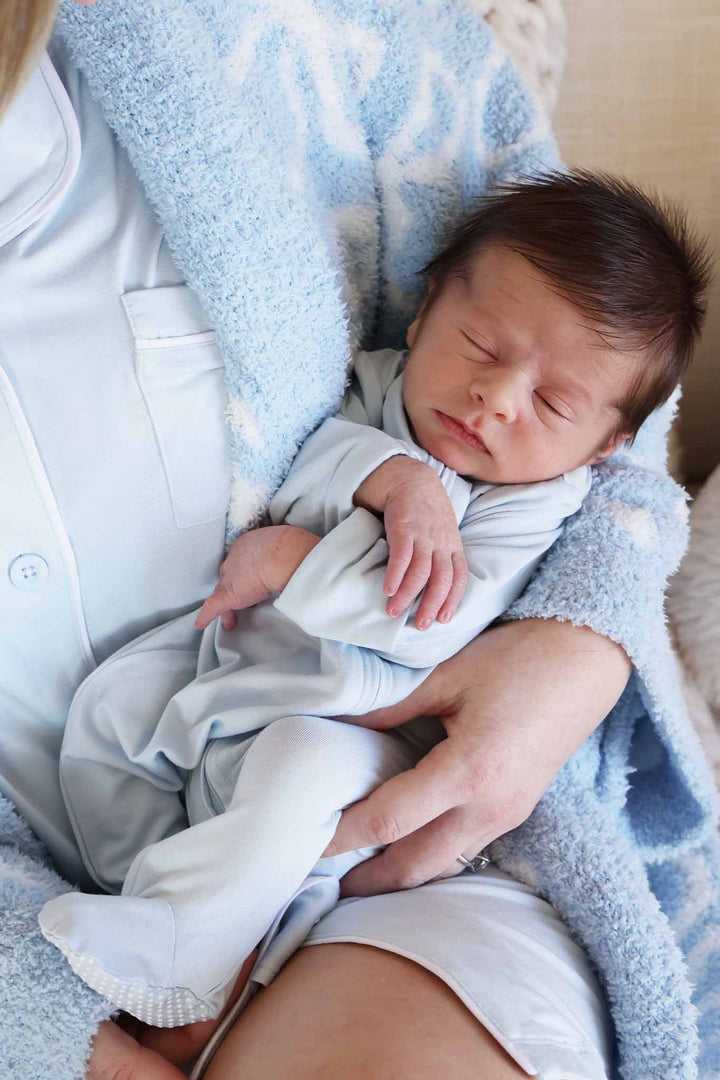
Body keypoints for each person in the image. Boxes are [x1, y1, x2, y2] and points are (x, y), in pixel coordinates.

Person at [1, 3, 714, 1080]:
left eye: (551, 403)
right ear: (424, 314)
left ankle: (200, 965)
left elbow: (439, 614)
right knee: (122, 736)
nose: (495, 400)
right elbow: (318, 455)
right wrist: (392, 480)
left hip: (377, 745)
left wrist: (564, 647)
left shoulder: (543, 496)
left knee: (298, 782)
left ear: (602, 445)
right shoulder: (389, 392)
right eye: (479, 347)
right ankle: (159, 922)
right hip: (208, 702)